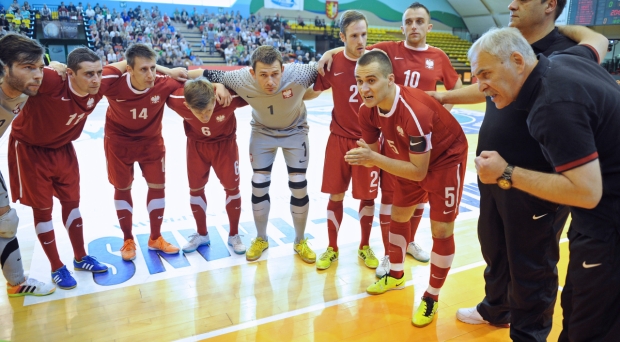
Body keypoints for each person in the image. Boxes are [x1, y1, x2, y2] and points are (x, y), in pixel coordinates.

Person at [427, 1, 603, 340]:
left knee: (532, 267)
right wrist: (445, 96)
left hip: (538, 183)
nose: (511, 4)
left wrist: (566, 28)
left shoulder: (563, 55)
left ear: (550, 5)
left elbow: (598, 40)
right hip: (494, 173)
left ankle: (529, 333)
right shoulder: (504, 48)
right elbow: (482, 87)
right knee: (493, 246)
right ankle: (495, 308)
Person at [470, 27, 613, 342]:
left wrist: (506, 172)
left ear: (518, 61)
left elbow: (587, 193)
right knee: (578, 306)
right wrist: (562, 27)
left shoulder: (550, 105)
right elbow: (597, 41)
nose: (480, 86)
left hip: (608, 218)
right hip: (598, 215)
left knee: (591, 321)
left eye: (485, 74)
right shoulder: (562, 60)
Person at [320, 2, 463, 277]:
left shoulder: (439, 56)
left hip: (423, 140)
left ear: (429, 26)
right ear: (402, 27)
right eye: (409, 21)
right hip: (392, 138)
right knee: (392, 199)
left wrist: (439, 115)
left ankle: (408, 242)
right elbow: (356, 49)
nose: (414, 26)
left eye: (419, 21)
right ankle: (389, 254)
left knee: (419, 198)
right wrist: (331, 51)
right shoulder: (388, 50)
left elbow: (455, 90)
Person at [346, 50, 467, 327]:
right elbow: (373, 155)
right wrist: (366, 157)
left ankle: (432, 297)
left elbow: (418, 172)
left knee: (441, 230)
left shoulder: (415, 111)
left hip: (446, 159)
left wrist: (373, 158)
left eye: (371, 80)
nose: (364, 88)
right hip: (408, 158)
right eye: (359, 80)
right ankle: (396, 275)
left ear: (390, 79)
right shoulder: (367, 110)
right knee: (399, 216)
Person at [200, 45, 319, 263]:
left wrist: (329, 54)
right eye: (263, 75)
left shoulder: (300, 72)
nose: (270, 81)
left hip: (295, 131)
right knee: (259, 182)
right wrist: (218, 84)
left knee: (299, 183)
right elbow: (204, 73)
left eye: (275, 74)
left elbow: (328, 68)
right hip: (263, 132)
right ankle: (261, 238)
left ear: (283, 69)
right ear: (252, 73)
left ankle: (300, 240)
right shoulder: (241, 78)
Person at [8, 45, 112, 290]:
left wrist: (218, 81)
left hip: (63, 148)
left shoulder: (101, 83)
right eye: (88, 74)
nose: (96, 79)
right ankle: (56, 266)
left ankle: (80, 257)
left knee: (72, 204)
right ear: (70, 73)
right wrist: (47, 66)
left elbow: (128, 64)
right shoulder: (52, 80)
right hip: (30, 151)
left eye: (98, 72)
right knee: (43, 211)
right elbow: (18, 70)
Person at [99, 44, 186, 262]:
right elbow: (97, 73)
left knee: (158, 187)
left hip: (151, 142)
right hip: (119, 142)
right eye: (143, 69)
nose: (150, 75)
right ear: (129, 69)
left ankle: (155, 237)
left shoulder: (164, 83)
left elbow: (196, 80)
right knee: (122, 187)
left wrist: (166, 72)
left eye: (153, 68)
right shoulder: (112, 83)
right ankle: (128, 239)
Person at [308, 10, 380, 270]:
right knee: (336, 195)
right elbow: (312, 92)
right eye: (354, 36)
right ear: (342, 37)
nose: (361, 41)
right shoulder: (333, 63)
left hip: (368, 142)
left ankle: (364, 246)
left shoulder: (376, 58)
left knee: (368, 198)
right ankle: (332, 247)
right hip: (338, 139)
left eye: (364, 34)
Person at [0, 36, 56, 297]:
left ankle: (17, 283)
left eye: (39, 67)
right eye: (27, 67)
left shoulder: (26, 87)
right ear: (4, 67)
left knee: (6, 221)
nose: (38, 75)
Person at [166, 78, 248, 255]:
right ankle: (202, 234)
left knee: (232, 189)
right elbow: (165, 81)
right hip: (196, 147)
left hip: (225, 146)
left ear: (213, 100)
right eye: (199, 113)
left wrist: (221, 85)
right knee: (195, 190)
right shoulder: (176, 101)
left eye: (209, 110)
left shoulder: (227, 98)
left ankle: (234, 235)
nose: (205, 117)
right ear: (187, 105)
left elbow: (252, 85)